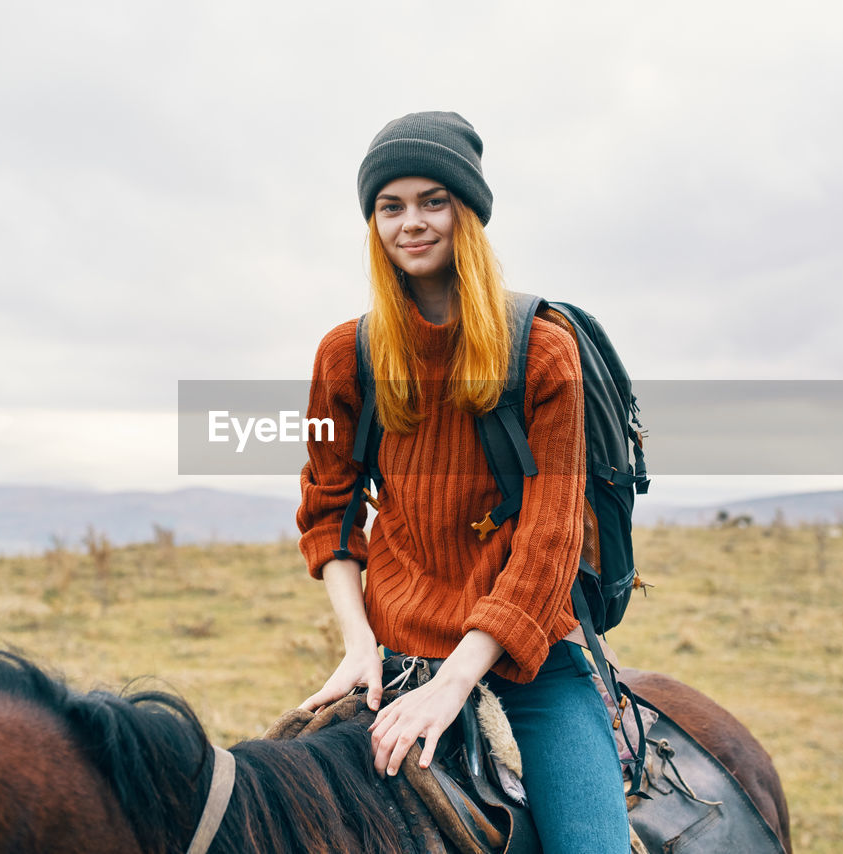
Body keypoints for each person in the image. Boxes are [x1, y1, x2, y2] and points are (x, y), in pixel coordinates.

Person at [296, 111, 630, 854]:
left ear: (468, 212)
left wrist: (453, 686)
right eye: (391, 206)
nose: (410, 222)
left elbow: (549, 542)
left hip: (531, 648)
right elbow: (328, 511)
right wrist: (357, 647)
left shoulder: (543, 353)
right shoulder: (343, 357)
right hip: (394, 646)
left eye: (433, 200)